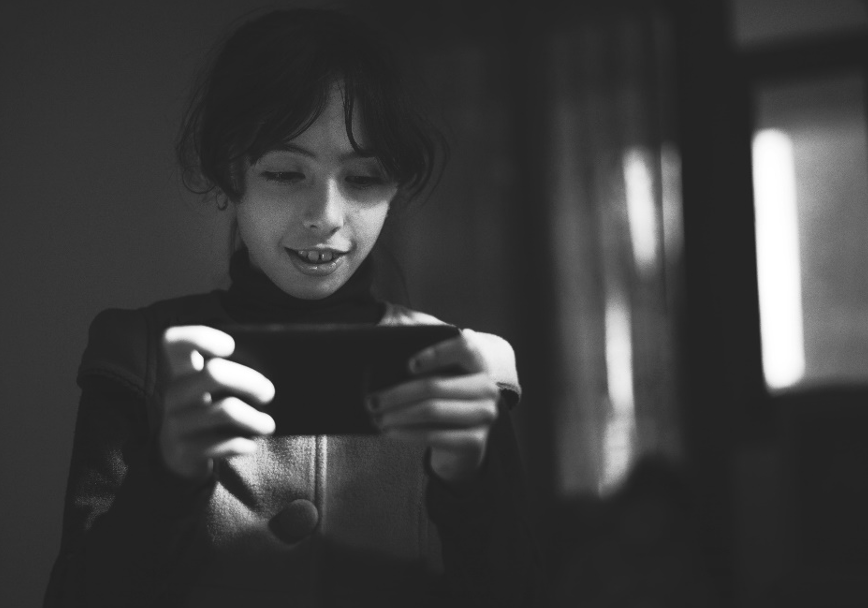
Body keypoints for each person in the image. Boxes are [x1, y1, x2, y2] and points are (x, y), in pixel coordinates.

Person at [43, 8, 539, 607]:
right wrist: (167, 475)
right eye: (283, 172)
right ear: (231, 171)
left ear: (395, 187)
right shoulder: (138, 358)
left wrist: (471, 485)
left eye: (363, 178)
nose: (325, 215)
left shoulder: (466, 372)